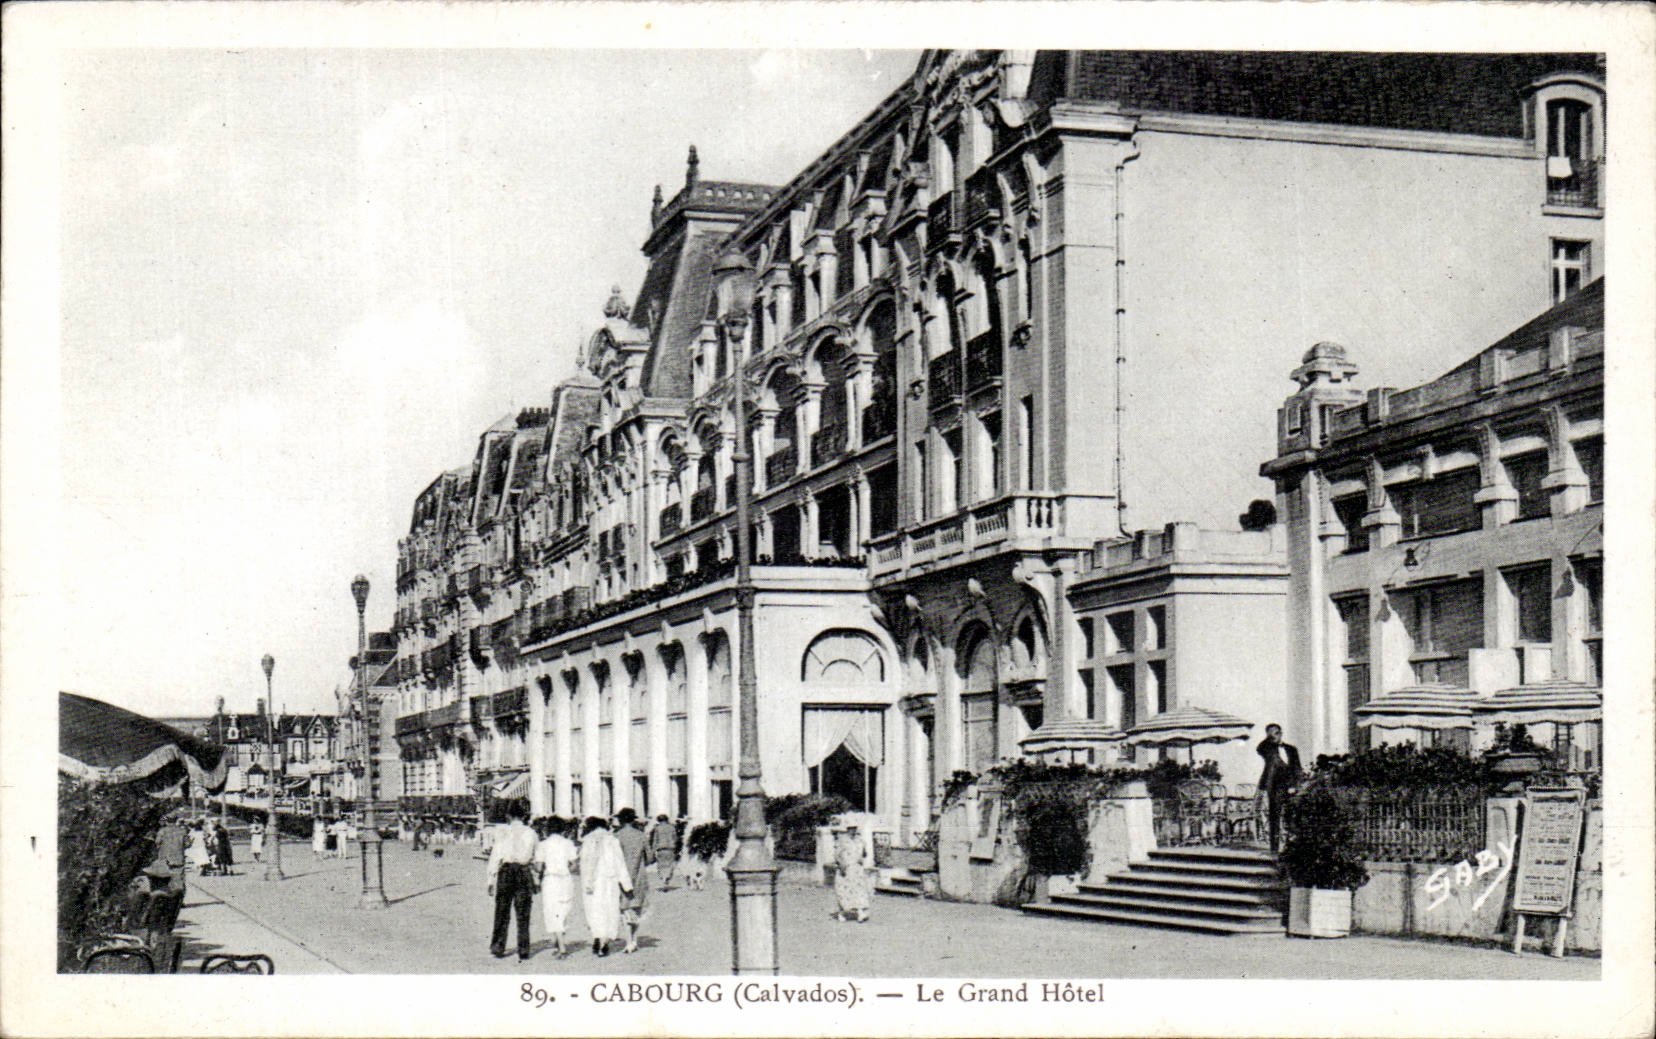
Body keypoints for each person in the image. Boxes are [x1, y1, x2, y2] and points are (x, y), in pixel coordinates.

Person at [487, 801, 540, 961]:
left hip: (506, 871)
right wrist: (536, 881)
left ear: (508, 816)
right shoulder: (532, 833)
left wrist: (490, 880)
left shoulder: (503, 832)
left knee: (502, 910)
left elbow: (495, 856)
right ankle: (523, 949)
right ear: (524, 816)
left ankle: (498, 946)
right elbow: (537, 858)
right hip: (524, 872)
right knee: (523, 912)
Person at [578, 816, 631, 958]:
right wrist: (626, 885)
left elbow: (583, 864)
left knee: (594, 911)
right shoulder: (612, 840)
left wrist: (586, 881)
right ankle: (604, 942)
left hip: (592, 883)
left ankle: (597, 936)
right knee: (609, 910)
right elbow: (620, 863)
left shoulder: (587, 841)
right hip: (609, 881)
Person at [533, 816, 579, 958]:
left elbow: (539, 867)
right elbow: (574, 865)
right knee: (563, 910)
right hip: (565, 879)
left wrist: (533, 864)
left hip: (551, 880)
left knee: (553, 912)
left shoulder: (543, 844)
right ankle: (559, 941)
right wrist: (564, 870)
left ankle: (562, 947)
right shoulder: (569, 844)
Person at [1256, 723, 1304, 853]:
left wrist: (1296, 786)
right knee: (1274, 817)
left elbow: (1297, 768)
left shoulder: (1291, 749)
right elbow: (1259, 748)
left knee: (1292, 815)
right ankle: (1274, 848)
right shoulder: (1267, 749)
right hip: (1275, 787)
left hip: (1291, 787)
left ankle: (1292, 845)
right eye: (1270, 734)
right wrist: (1269, 738)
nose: (1274, 736)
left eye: (1276, 733)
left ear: (1281, 733)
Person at [613, 808, 650, 954]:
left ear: (620, 820)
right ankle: (634, 940)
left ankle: (629, 941)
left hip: (622, 877)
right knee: (636, 907)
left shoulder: (616, 836)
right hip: (640, 876)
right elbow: (650, 857)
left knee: (624, 908)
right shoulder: (641, 836)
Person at [833, 823, 874, 923]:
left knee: (859, 890)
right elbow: (837, 855)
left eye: (855, 828)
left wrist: (864, 849)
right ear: (847, 829)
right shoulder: (842, 840)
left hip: (857, 868)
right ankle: (842, 913)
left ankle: (860, 913)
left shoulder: (859, 840)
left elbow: (864, 854)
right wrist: (841, 865)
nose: (853, 831)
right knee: (845, 891)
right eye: (851, 828)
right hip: (846, 868)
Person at [647, 813, 678, 891]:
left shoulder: (657, 828)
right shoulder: (672, 828)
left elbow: (655, 840)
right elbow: (675, 838)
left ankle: (663, 878)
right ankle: (667, 877)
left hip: (661, 849)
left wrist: (653, 851)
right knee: (670, 864)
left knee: (661, 865)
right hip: (670, 849)